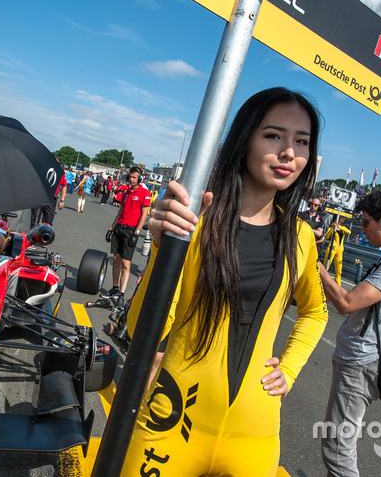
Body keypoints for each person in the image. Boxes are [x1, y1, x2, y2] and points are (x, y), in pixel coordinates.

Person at [122, 88, 328, 476]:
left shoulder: (300, 237)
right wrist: (162, 249)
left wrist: (290, 368)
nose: (289, 152)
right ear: (245, 138)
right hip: (173, 418)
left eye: (302, 142)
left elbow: (316, 313)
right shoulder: (195, 218)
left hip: (256, 433)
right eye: (274, 135)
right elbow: (140, 328)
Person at [318, 190, 381, 477]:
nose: (362, 231)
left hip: (361, 362)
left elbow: (346, 303)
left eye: (365, 224)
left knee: (338, 450)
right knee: (337, 444)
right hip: (360, 359)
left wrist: (319, 269)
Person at [103, 166, 151, 306]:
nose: (131, 179)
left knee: (126, 263)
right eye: (130, 177)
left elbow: (144, 215)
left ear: (140, 178)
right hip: (119, 228)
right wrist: (111, 228)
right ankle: (115, 287)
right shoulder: (127, 191)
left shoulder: (145, 193)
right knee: (116, 259)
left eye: (134, 177)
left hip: (131, 231)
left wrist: (137, 233)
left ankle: (122, 294)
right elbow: (121, 211)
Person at [323, 215, 351, 285]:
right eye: (342, 217)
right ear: (338, 217)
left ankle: (338, 286)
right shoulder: (331, 227)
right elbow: (326, 236)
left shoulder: (343, 228)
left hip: (340, 251)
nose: (344, 219)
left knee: (339, 271)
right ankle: (321, 282)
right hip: (332, 248)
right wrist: (333, 228)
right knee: (326, 268)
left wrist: (338, 226)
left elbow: (349, 232)